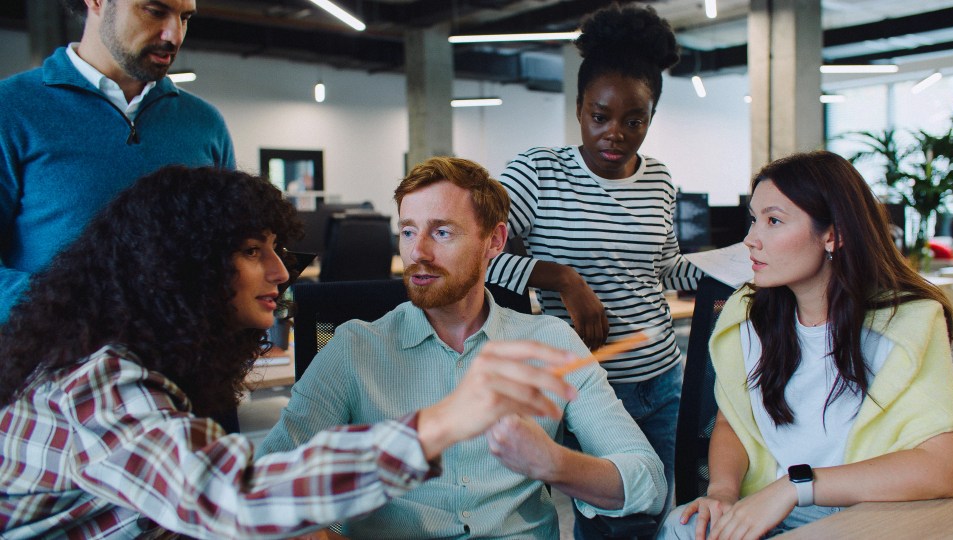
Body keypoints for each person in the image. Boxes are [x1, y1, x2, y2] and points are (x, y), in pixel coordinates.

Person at [0, 166, 583, 539]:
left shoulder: (147, 373)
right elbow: (229, 497)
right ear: (184, 268)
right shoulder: (96, 383)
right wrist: (444, 422)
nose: (281, 272)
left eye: (277, 249)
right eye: (255, 250)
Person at [257, 157, 667, 539]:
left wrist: (554, 464)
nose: (418, 252)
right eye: (408, 231)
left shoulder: (549, 340)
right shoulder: (353, 349)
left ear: (494, 240)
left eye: (442, 231)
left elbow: (647, 480)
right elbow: (268, 484)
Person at [657, 150, 953, 540]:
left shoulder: (906, 324)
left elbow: (940, 469)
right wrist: (722, 493)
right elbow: (731, 423)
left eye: (774, 221)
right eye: (754, 220)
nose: (750, 240)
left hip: (863, 515)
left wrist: (797, 487)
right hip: (767, 504)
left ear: (833, 234)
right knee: (682, 525)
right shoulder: (747, 314)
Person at [484, 4, 702, 534]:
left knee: (663, 515)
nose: (615, 135)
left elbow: (666, 267)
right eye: (599, 117)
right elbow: (482, 254)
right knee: (612, 522)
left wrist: (742, 268)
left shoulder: (660, 179)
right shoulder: (538, 172)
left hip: (663, 376)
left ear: (651, 118)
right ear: (579, 108)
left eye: (634, 121)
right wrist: (564, 278)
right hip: (592, 389)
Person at [0, 0, 234, 322]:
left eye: (185, 17)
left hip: (186, 363)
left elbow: (228, 249)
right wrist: (83, 301)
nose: (174, 35)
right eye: (155, 11)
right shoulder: (11, 110)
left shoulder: (205, 124)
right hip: (56, 362)